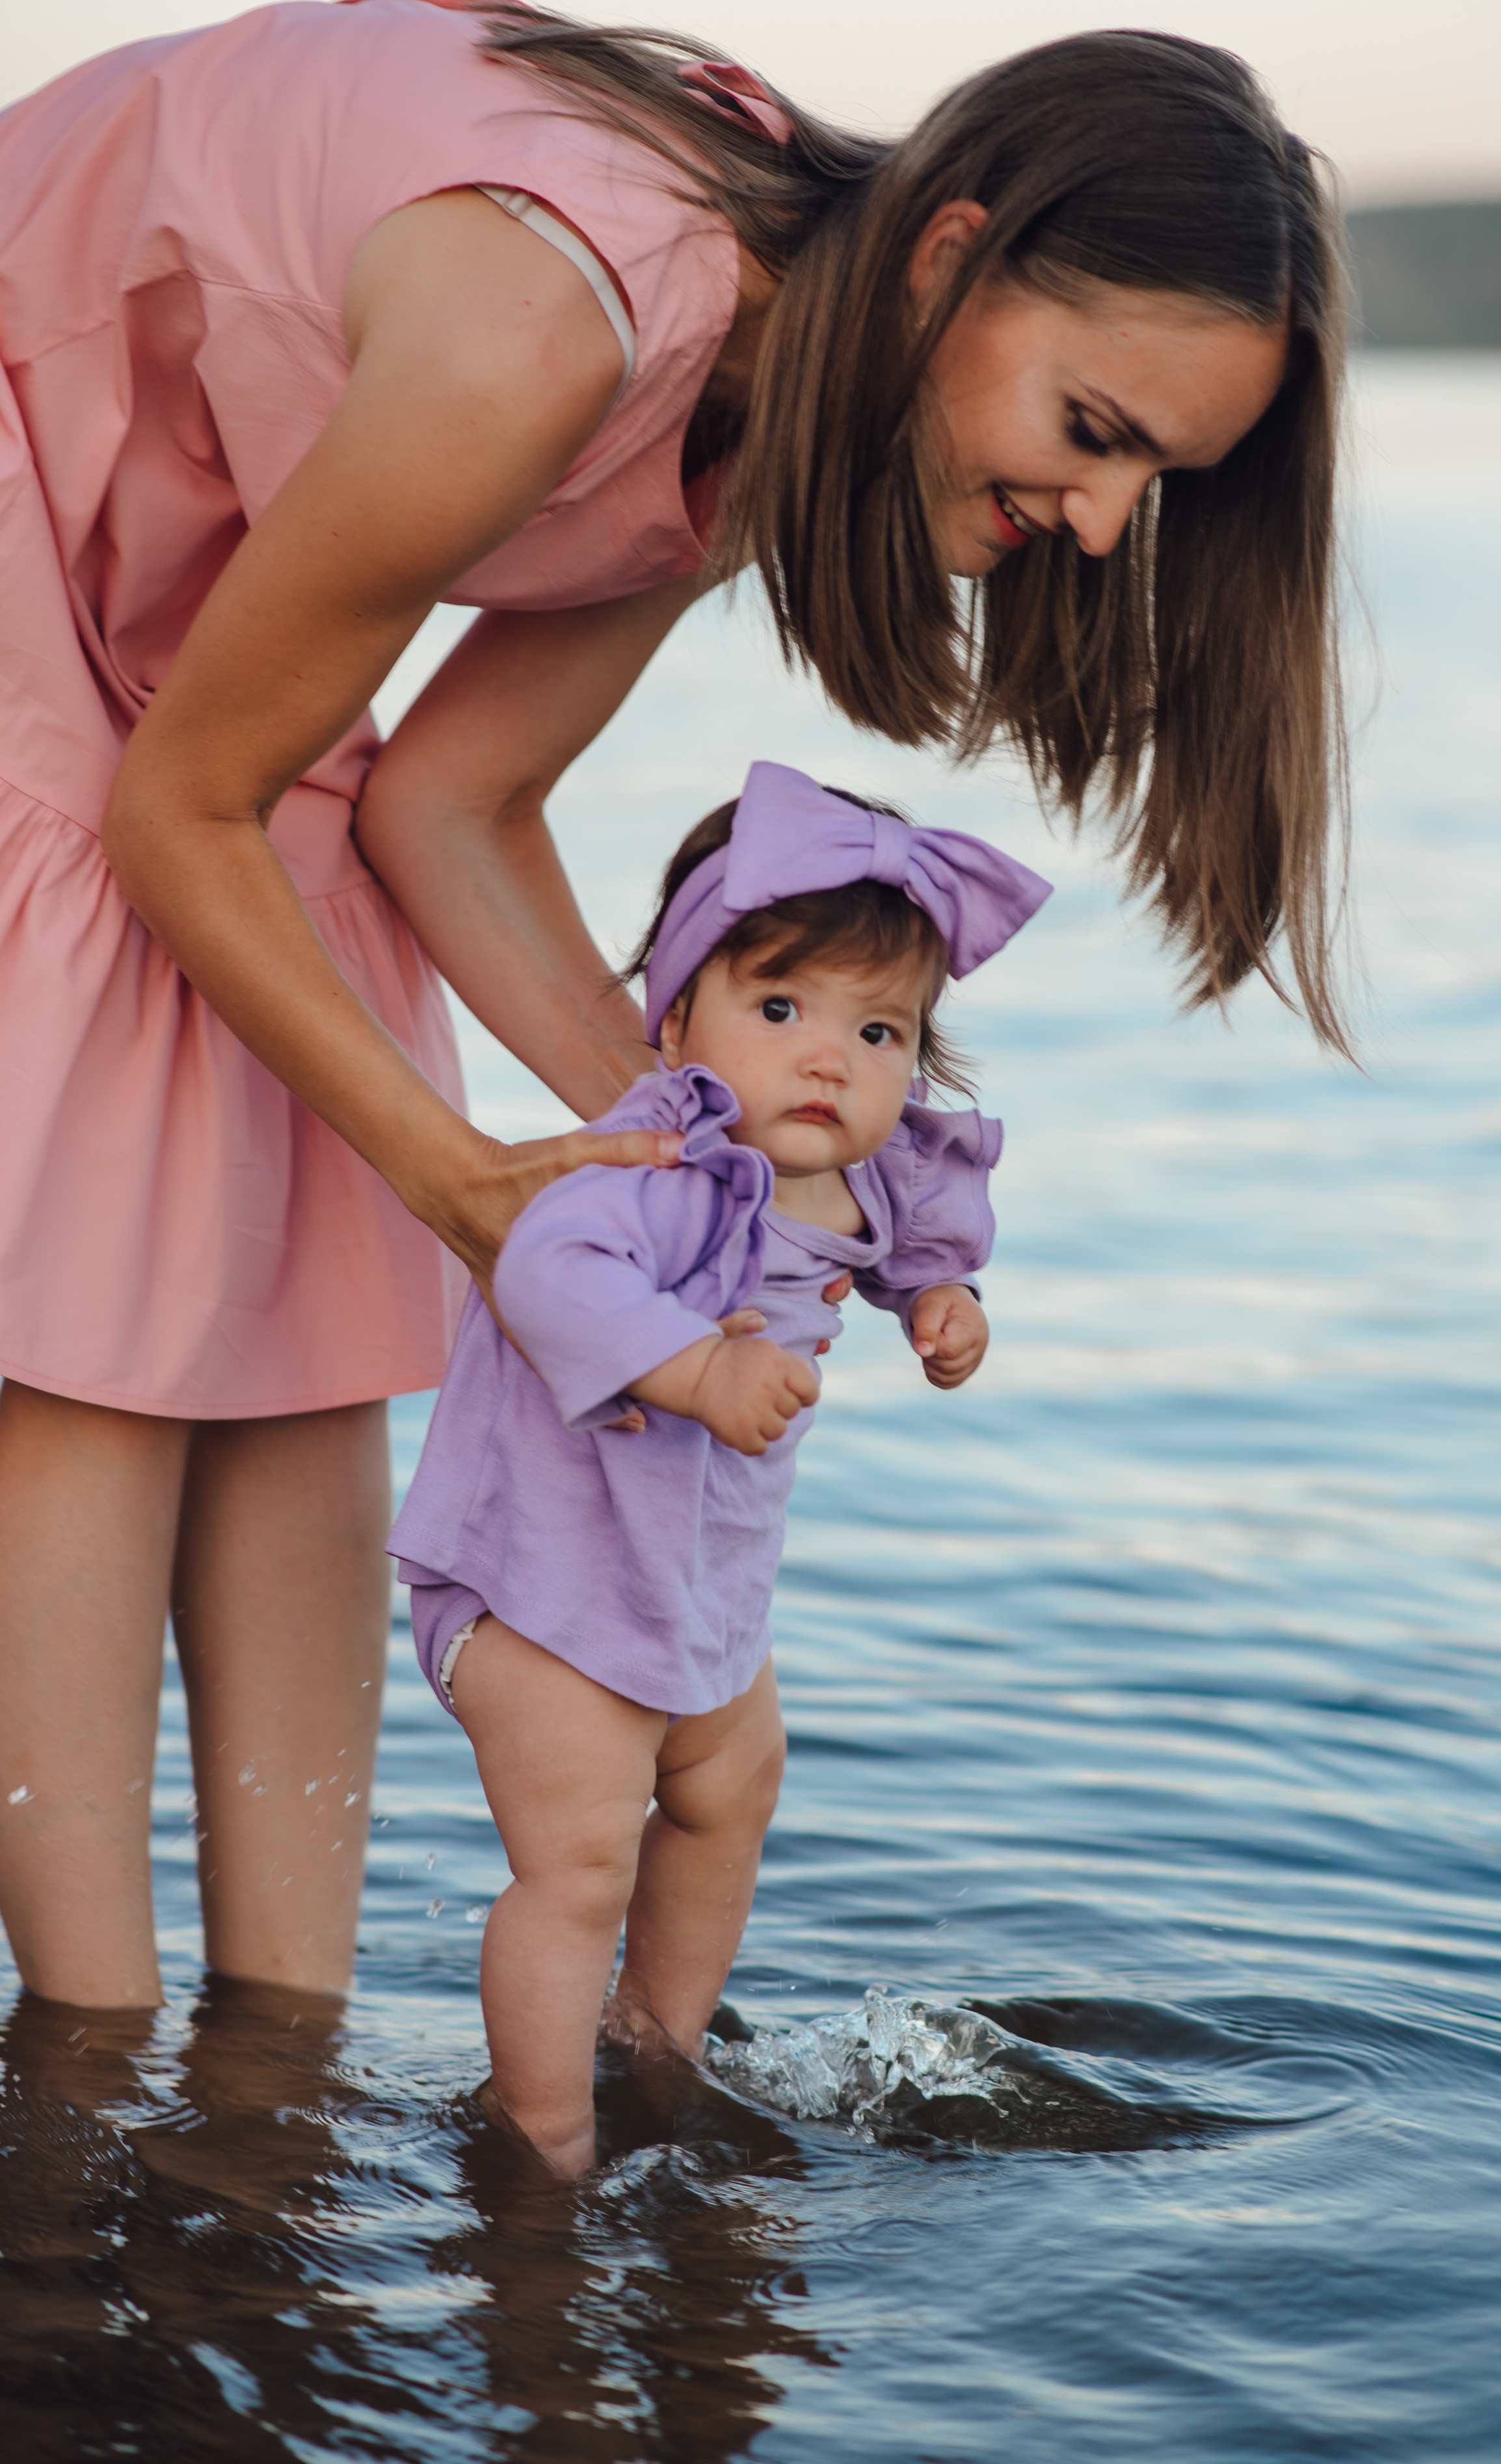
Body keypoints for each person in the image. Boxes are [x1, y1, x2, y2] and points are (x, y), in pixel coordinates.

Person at [0, 0, 1348, 2013]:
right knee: (135, 1205)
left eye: (1156, 484)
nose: (1098, 524)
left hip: (173, 588)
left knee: (314, 1188)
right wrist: (469, 1178)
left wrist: (702, 1156)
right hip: (33, 493)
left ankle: (277, 2060)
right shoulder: (548, 333)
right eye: (1095, 433)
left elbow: (447, 812)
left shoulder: (765, 398)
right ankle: (92, 2061)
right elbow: (182, 808)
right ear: (950, 255)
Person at [388, 763, 1049, 2174]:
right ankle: (540, 2126)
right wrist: (695, 1371)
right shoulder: (641, 1166)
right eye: (780, 1009)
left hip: (694, 1594)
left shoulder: (865, 1182)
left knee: (728, 1793)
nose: (830, 1059)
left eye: (879, 1030)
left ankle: (657, 2045)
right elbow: (544, 1277)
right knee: (577, 1864)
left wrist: (945, 1308)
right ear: (676, 1013)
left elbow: (917, 1242)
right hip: (538, 1589)